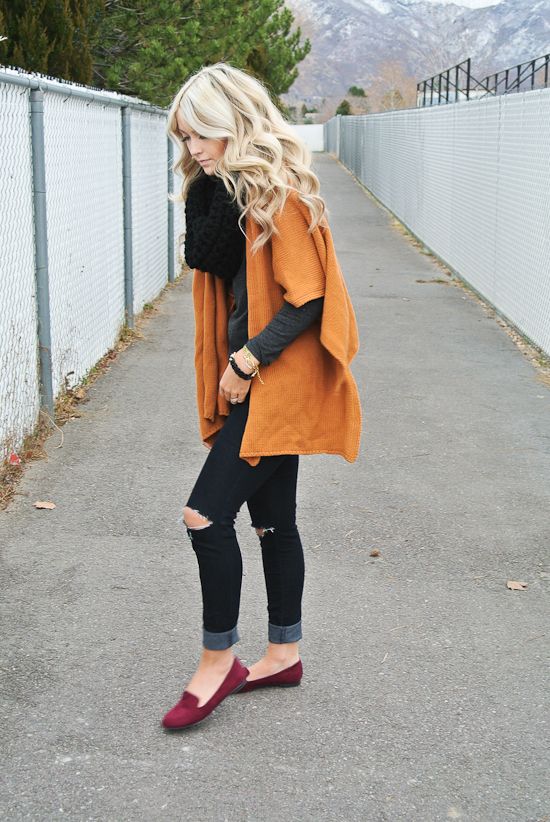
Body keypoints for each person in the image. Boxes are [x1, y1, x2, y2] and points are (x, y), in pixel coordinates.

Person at [162, 62, 362, 731]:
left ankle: (217, 662)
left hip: (275, 385)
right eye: (185, 136)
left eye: (203, 135)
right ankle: (283, 653)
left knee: (203, 517)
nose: (193, 148)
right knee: (273, 523)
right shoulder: (223, 199)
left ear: (235, 123)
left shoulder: (282, 197)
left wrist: (244, 362)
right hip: (262, 381)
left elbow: (308, 300)